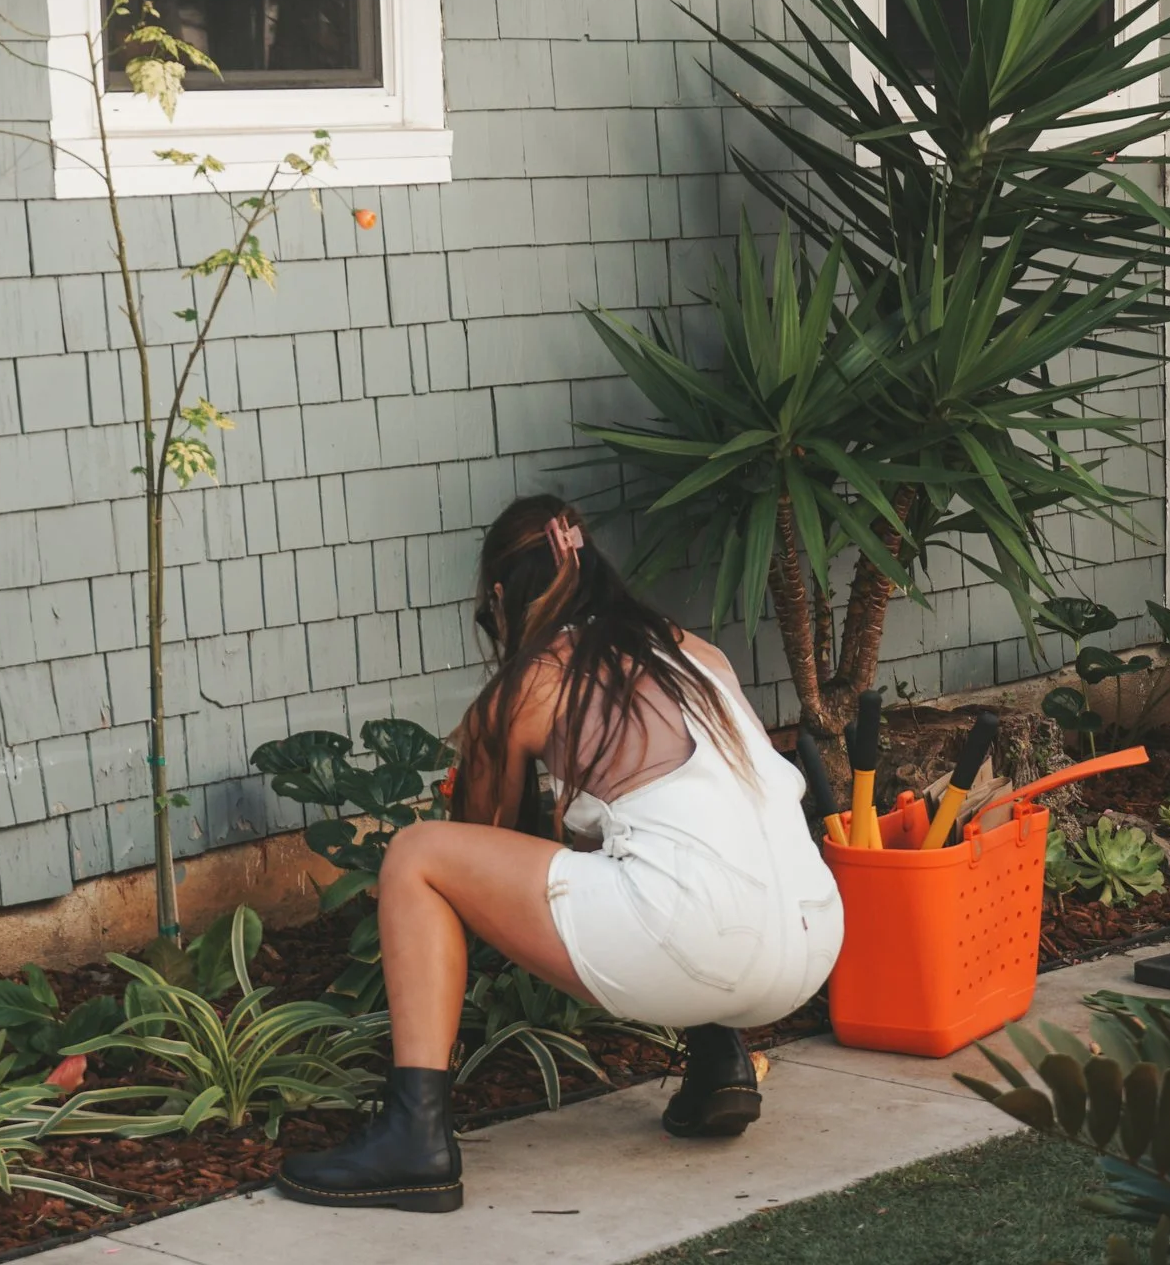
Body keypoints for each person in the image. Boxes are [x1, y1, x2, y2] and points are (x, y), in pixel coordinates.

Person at [278, 496, 845, 1213]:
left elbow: (480, 836)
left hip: (703, 938)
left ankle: (412, 1136)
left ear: (499, 600)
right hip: (816, 933)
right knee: (669, 851)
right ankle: (719, 1059)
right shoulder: (697, 652)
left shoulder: (536, 679)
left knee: (417, 858)